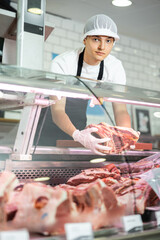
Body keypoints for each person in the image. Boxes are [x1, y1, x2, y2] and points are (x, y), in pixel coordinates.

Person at [48, 14, 132, 155]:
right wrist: (77, 135)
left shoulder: (114, 67)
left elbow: (121, 110)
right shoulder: (63, 63)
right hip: (50, 123)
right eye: (96, 39)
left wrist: (126, 137)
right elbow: (57, 112)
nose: (102, 47)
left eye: (108, 41)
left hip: (79, 121)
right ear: (85, 39)